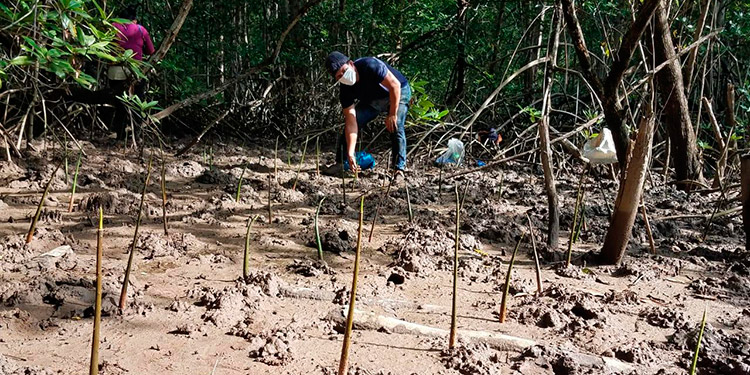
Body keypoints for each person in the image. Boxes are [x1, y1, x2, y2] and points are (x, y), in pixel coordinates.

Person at [324, 51, 411, 180]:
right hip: (373, 100)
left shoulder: (370, 65)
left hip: (398, 91)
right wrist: (350, 153)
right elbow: (351, 122)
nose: (343, 77)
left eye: (344, 71)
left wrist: (392, 114)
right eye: (339, 76)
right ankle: (341, 163)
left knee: (396, 125)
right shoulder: (345, 91)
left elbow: (395, 86)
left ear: (351, 64)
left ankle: (399, 169)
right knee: (351, 124)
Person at [109, 6, 155, 140]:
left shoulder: (112, 27)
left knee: (119, 104)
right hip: (136, 72)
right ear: (134, 19)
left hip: (115, 71)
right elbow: (151, 51)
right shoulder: (141, 30)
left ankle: (120, 135)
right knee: (137, 102)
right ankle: (137, 134)